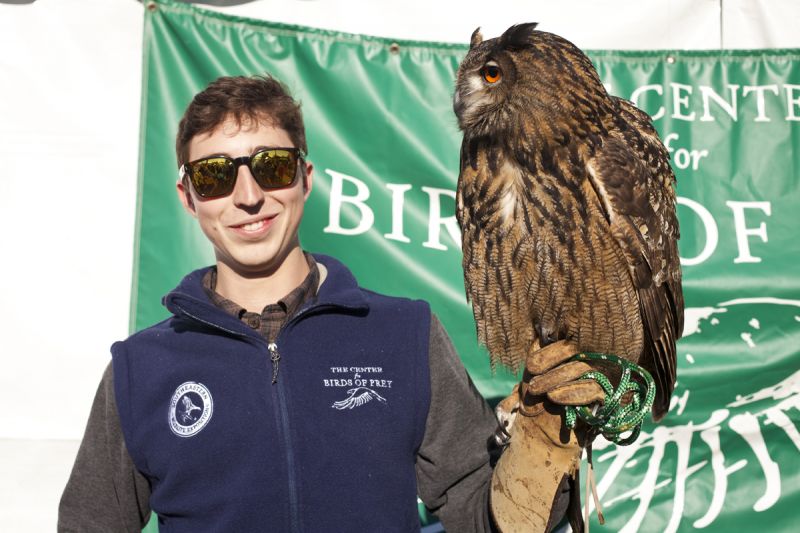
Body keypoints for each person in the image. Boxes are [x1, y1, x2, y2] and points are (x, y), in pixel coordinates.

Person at [58, 74, 499, 532]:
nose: (249, 197)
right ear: (188, 198)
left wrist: (547, 448)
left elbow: (484, 510)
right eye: (214, 175)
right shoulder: (140, 369)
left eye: (271, 167)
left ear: (305, 179)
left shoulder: (406, 333)